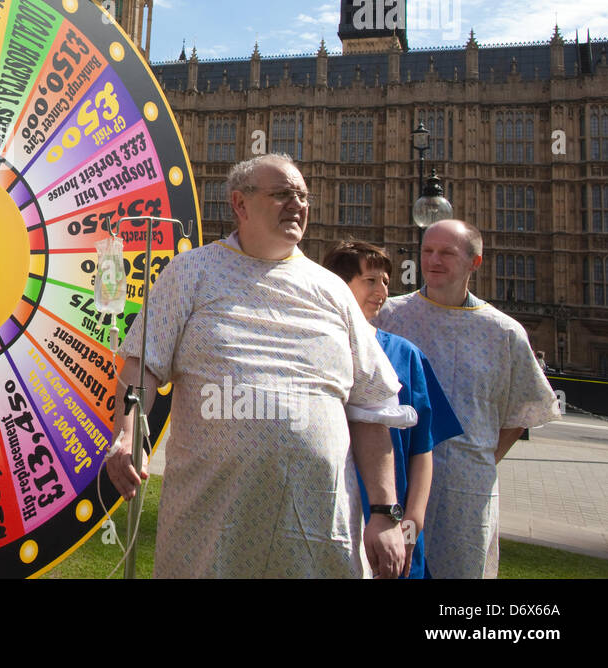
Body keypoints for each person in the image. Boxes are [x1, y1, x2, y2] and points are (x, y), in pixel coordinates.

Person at [105, 154, 407, 578]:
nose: (297, 204)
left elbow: (372, 406)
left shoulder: (332, 290)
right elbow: (142, 366)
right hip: (211, 526)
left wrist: (385, 512)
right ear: (240, 204)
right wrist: (128, 432)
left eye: (302, 195)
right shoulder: (190, 272)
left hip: (318, 529)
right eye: (282, 194)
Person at [375, 219, 560, 579]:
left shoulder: (503, 332)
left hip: (467, 493)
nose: (434, 260)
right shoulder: (389, 316)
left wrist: (482, 459)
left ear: (475, 261)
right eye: (428, 251)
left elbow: (524, 408)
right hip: (396, 484)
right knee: (393, 569)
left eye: (447, 252)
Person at [322, 240, 463, 578]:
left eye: (386, 281)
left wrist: (413, 521)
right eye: (371, 280)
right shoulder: (315, 348)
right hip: (327, 510)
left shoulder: (406, 355)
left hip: (390, 517)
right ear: (338, 286)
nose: (382, 289)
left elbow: (422, 448)